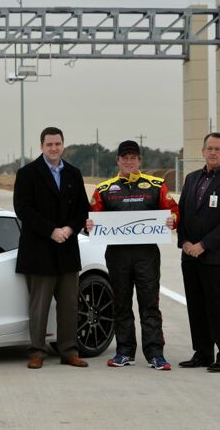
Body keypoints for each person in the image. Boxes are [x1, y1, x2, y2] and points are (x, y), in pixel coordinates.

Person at [86, 140, 178, 370]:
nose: (129, 162)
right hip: (117, 256)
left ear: (139, 160)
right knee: (121, 304)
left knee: (150, 304)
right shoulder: (104, 189)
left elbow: (175, 212)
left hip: (146, 255)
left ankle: (155, 353)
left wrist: (172, 220)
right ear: (117, 160)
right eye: (124, 158)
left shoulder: (156, 185)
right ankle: (124, 351)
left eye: (133, 158)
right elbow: (91, 218)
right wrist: (87, 223)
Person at [13, 126, 90, 370]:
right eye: (49, 145)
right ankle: (37, 351)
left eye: (57, 144)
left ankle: (69, 351)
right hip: (39, 250)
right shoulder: (27, 173)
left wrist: (69, 229)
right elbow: (23, 209)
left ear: (63, 145)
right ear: (41, 146)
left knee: (69, 305)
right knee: (39, 307)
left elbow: (82, 208)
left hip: (67, 249)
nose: (54, 148)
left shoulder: (74, 174)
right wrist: (51, 230)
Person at [177, 132, 220, 373]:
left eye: (218, 149)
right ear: (202, 151)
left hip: (216, 257)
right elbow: (182, 212)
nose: (213, 152)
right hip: (189, 256)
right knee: (196, 306)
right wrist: (184, 241)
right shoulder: (192, 179)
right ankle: (203, 353)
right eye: (209, 148)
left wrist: (202, 245)